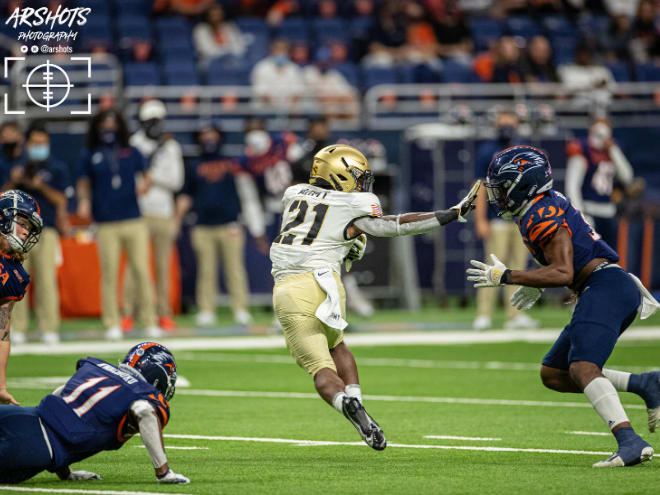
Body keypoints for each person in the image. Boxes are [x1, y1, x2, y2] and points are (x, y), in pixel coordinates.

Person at [270, 144, 479, 450]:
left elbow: (310, 233)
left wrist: (348, 237)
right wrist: (448, 215)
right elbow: (393, 225)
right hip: (328, 283)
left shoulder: (294, 193)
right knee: (338, 344)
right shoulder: (355, 204)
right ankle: (355, 398)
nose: (361, 182)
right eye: (356, 176)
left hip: (292, 288)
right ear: (339, 175)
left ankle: (345, 402)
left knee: (321, 370)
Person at [466, 145, 660, 468]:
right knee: (554, 373)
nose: (498, 195)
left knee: (583, 367)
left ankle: (629, 440)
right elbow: (566, 267)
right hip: (602, 286)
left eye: (502, 187)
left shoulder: (539, 212)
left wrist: (509, 276)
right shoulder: (539, 207)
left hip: (605, 286)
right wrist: (536, 283)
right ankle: (643, 383)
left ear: (523, 185)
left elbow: (563, 271)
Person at [0, 341, 189, 484]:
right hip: (35, 446)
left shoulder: (99, 368)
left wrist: (64, 471)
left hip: (25, 415)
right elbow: (144, 411)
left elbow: (61, 392)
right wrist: (163, 472)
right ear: (158, 378)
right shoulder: (142, 394)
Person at [76, 109, 160, 341]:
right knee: (110, 273)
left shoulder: (131, 151)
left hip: (133, 219)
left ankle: (150, 319)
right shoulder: (89, 153)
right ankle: (112, 321)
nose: (109, 128)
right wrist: (84, 202)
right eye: (105, 123)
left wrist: (144, 186)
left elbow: (147, 175)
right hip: (105, 222)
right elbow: (83, 182)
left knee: (141, 270)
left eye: (113, 122)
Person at [176, 124, 267, 327]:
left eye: (212, 135)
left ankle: (240, 308)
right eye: (205, 135)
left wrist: (253, 225)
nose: (209, 139)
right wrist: (177, 218)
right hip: (202, 225)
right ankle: (206, 309)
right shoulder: (193, 164)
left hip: (230, 224)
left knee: (235, 269)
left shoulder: (232, 163)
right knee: (206, 270)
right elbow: (186, 194)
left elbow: (246, 194)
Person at [6, 122, 70, 345]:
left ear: (48, 143)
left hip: (46, 230)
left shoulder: (56, 168)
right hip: (17, 232)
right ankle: (18, 328)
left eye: (42, 143)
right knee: (15, 281)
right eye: (34, 143)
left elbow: (61, 199)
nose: (38, 147)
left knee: (47, 281)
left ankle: (49, 327)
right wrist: (15, 180)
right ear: (27, 143)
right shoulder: (16, 165)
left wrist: (39, 186)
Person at [473, 109, 537, 331]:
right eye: (504, 122)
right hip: (497, 218)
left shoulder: (524, 150)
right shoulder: (488, 151)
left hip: (520, 217)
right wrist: (480, 219)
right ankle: (484, 314)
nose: (507, 127)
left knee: (518, 267)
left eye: (511, 122)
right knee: (493, 267)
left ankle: (515, 314)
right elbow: (480, 187)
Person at [125, 100, 184, 333]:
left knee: (162, 265)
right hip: (138, 211)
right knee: (135, 266)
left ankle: (163, 314)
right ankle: (128, 313)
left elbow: (176, 181)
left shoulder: (170, 147)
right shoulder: (133, 144)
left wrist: (151, 174)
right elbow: (131, 179)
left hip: (163, 212)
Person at [565, 119, 635, 249]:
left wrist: (613, 150)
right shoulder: (582, 152)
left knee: (609, 258)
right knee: (588, 258)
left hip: (608, 212)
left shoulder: (612, 152)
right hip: (589, 211)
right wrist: (580, 215)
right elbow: (572, 186)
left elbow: (627, 177)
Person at [0, 190, 42, 405]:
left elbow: (2, 332)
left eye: (30, 228)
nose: (26, 232)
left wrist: (1, 387)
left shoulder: (15, 273)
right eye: (23, 223)